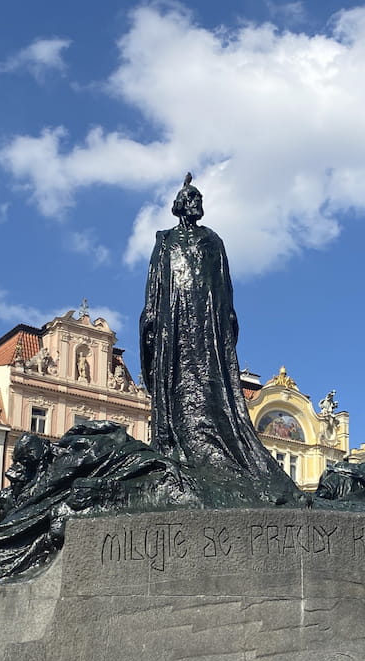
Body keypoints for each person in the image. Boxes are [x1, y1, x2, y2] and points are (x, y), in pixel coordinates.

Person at [139, 174, 299, 505]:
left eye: (200, 199)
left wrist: (228, 317)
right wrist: (152, 316)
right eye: (192, 198)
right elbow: (155, 282)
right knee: (175, 380)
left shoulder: (213, 240)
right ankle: (177, 439)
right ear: (180, 205)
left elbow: (224, 283)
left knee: (210, 381)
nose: (198, 203)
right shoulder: (165, 241)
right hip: (174, 317)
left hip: (208, 320)